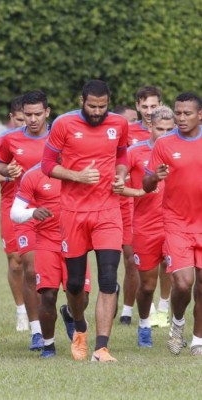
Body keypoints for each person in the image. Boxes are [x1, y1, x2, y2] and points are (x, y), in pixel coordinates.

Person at [41, 80, 129, 362]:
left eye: (102, 106)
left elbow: (122, 154)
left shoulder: (118, 123)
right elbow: (46, 165)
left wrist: (121, 174)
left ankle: (101, 348)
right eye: (92, 106)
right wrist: (77, 176)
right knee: (76, 285)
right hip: (73, 213)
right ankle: (78, 325)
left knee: (107, 279)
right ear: (82, 100)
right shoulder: (64, 125)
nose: (97, 111)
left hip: (107, 212)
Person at [11, 162, 91, 358]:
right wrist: (33, 212)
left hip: (75, 241)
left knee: (81, 295)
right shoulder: (34, 174)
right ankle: (48, 345)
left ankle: (71, 315)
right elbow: (15, 212)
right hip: (46, 241)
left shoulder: (85, 170)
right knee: (47, 295)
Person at [143, 92, 202, 356]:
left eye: (187, 113)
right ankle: (177, 322)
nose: (180, 118)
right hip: (176, 221)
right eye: (178, 112)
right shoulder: (164, 144)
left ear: (200, 115)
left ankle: (199, 340)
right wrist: (155, 177)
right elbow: (146, 185)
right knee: (183, 282)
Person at [0, 90, 51, 351]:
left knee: (57, 273)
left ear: (47, 113)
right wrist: (7, 171)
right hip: (22, 210)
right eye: (26, 115)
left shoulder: (60, 138)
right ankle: (34, 327)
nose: (31, 119)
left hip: (57, 211)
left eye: (36, 114)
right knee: (24, 265)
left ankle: (69, 316)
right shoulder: (8, 140)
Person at [121, 106, 174, 347]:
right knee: (147, 285)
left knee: (185, 280)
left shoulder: (181, 151)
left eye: (169, 129)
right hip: (145, 227)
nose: (164, 134)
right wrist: (140, 191)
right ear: (150, 127)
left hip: (176, 225)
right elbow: (116, 185)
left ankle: (178, 324)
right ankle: (144, 325)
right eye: (159, 129)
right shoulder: (134, 152)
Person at [118, 86, 164, 326]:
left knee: (170, 264)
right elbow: (118, 166)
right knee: (132, 261)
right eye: (144, 106)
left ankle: (163, 308)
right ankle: (129, 309)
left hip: (166, 212)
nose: (149, 111)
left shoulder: (173, 136)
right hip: (132, 208)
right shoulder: (128, 135)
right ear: (137, 106)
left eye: (153, 106)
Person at [0, 95, 29, 332]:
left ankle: (40, 310)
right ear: (11, 118)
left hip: (42, 204)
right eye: (20, 119)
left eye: (30, 117)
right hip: (12, 204)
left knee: (40, 261)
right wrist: (8, 176)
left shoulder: (47, 138)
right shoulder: (2, 141)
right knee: (16, 262)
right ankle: (22, 310)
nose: (26, 123)